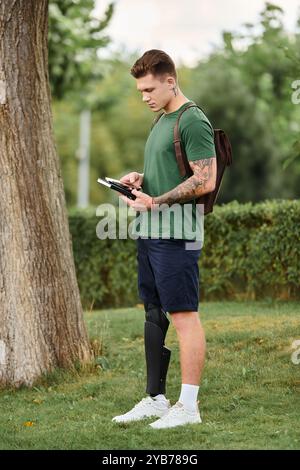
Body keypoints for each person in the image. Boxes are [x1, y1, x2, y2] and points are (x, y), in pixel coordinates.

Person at [112, 50, 216, 429]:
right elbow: (170, 171)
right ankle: (156, 399)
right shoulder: (161, 121)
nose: (145, 97)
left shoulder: (192, 121)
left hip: (178, 236)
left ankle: (188, 408)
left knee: (184, 315)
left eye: (150, 89)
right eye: (141, 91)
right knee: (154, 313)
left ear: (171, 80)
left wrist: (155, 201)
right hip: (151, 232)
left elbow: (205, 179)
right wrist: (139, 180)